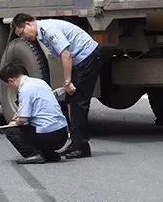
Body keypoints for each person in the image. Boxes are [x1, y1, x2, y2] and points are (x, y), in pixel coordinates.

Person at [12, 13, 101, 159]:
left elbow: (66, 54)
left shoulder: (48, 29)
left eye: (22, 33)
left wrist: (67, 82)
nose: (23, 37)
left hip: (87, 57)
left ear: (28, 24)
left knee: (79, 103)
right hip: (81, 60)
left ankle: (82, 147)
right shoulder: (41, 33)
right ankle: (75, 142)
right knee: (70, 101)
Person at [0, 64, 68, 164]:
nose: (11, 88)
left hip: (48, 135)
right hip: (62, 133)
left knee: (12, 132)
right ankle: (50, 154)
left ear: (11, 81)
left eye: (8, 85)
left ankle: (32, 154)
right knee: (36, 124)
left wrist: (11, 124)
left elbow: (23, 119)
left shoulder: (25, 90)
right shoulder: (40, 82)